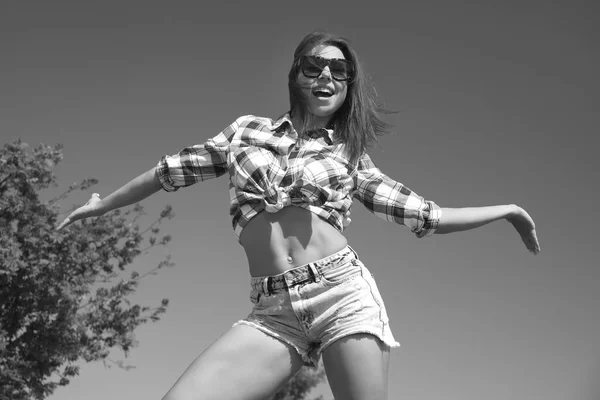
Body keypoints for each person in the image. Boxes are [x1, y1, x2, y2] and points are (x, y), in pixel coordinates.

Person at [57, 31, 540, 400]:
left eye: (340, 71)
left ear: (349, 86)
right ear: (296, 74)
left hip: (342, 295)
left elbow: (425, 215)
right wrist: (103, 205)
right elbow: (169, 171)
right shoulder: (247, 131)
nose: (327, 76)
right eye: (315, 66)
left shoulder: (351, 156)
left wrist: (508, 210)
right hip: (272, 313)